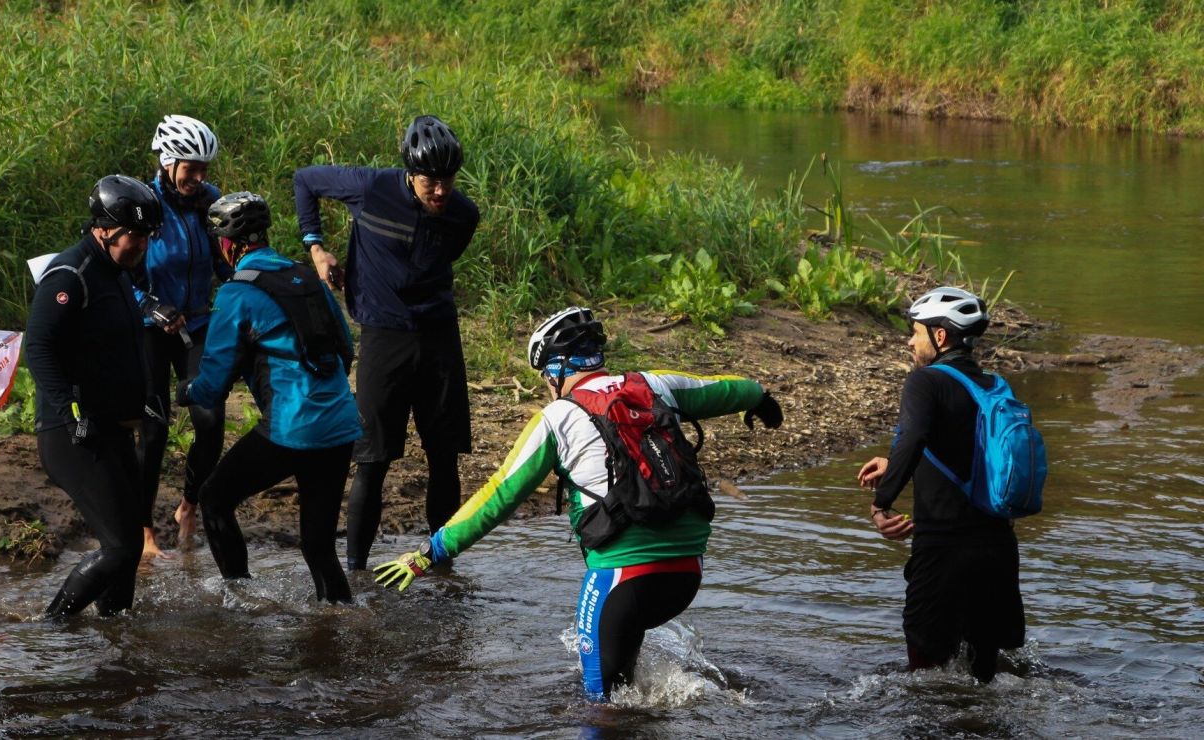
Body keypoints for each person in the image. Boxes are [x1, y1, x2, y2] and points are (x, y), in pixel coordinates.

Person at [372, 307, 785, 701]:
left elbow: (498, 496)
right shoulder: (654, 385)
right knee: (634, 699)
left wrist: (430, 553)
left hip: (621, 578)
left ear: (556, 370)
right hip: (686, 573)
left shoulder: (556, 418)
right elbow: (734, 388)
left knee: (599, 708)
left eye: (543, 376)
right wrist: (763, 402)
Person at [293, 114, 480, 571]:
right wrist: (317, 248)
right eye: (430, 182)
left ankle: (444, 567)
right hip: (383, 340)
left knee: (444, 458)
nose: (440, 192)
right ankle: (356, 571)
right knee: (373, 460)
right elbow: (304, 181)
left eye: (448, 181)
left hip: (439, 339)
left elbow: (443, 255)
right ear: (410, 173)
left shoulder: (463, 214)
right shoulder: (371, 188)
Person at [173, 192, 362, 603]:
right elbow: (346, 348)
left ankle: (242, 603)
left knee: (213, 497)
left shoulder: (236, 292)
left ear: (226, 245)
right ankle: (343, 621)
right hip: (341, 422)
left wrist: (184, 392)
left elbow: (214, 382)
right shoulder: (306, 274)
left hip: (291, 428)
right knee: (318, 547)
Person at [856, 286, 1026, 683]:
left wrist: (882, 505)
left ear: (940, 336)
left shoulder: (925, 382)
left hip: (943, 549)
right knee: (986, 677)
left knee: (925, 677)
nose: (911, 341)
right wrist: (894, 462)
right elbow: (966, 454)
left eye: (916, 332)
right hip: (997, 549)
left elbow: (914, 438)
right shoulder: (996, 387)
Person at [25, 174, 161, 619]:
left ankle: (114, 637)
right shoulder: (71, 273)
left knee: (127, 551)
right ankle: (51, 625)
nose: (142, 246)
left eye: (147, 237)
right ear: (103, 231)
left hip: (111, 430)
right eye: (135, 237)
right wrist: (70, 409)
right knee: (121, 548)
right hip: (74, 435)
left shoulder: (115, 272)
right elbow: (38, 345)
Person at [134, 114, 226, 559]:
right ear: (168, 162)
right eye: (191, 168)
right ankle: (144, 531)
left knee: (210, 420)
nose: (200, 177)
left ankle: (189, 505)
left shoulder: (211, 202)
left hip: (198, 324)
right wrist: (149, 304)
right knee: (154, 430)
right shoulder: (142, 204)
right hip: (151, 328)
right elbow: (116, 272)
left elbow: (228, 262)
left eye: (205, 168)